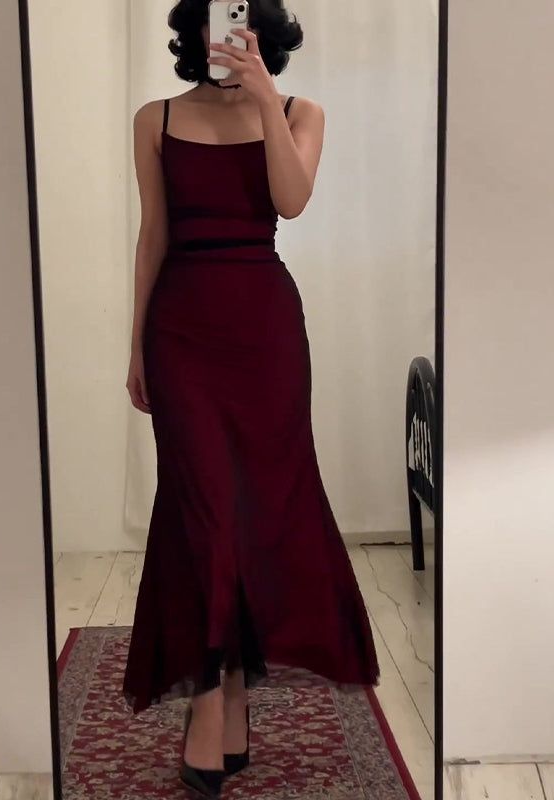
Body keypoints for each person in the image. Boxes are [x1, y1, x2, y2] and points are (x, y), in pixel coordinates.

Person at [122, 1, 380, 796]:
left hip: (264, 328)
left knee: (258, 509)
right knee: (202, 510)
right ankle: (210, 699)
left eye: (243, 22)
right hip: (181, 329)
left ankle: (232, 692)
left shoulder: (302, 112)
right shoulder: (156, 118)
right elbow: (154, 233)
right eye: (216, 22)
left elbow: (291, 200)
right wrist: (135, 345)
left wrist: (265, 98)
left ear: (265, 33)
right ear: (194, 34)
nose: (230, 37)